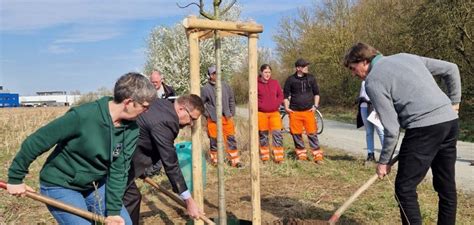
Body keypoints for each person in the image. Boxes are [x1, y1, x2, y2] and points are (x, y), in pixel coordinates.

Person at [6, 72, 157, 225]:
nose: (147, 111)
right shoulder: (83, 116)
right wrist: (15, 178)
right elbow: (38, 141)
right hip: (61, 184)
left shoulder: (131, 130)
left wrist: (113, 212)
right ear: (129, 102)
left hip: (95, 185)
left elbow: (119, 171)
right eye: (145, 106)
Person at [343, 42, 461, 225]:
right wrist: (454, 102)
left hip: (423, 129)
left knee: (404, 189)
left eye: (353, 68)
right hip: (449, 122)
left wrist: (383, 161)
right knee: (446, 186)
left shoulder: (373, 81)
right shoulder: (407, 57)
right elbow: (451, 69)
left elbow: (391, 128)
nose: (353, 73)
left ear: (364, 61)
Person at [123, 94, 205, 225]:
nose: (191, 123)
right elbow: (171, 163)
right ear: (182, 109)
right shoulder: (167, 122)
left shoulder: (163, 104)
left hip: (125, 157)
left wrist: (141, 172)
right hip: (118, 161)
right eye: (192, 118)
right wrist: (189, 201)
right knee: (127, 199)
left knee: (132, 198)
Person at [283, 58, 323, 163]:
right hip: (295, 112)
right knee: (296, 134)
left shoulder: (311, 78)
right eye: (305, 66)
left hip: (309, 111)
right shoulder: (290, 80)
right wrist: (287, 107)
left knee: (312, 133)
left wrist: (315, 106)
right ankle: (301, 156)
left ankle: (317, 156)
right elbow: (285, 95)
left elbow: (317, 93)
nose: (307, 68)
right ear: (298, 68)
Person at [201, 65, 242, 167]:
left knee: (231, 139)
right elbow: (201, 104)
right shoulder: (205, 89)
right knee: (214, 141)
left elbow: (231, 99)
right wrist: (208, 114)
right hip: (213, 120)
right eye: (214, 73)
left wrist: (232, 113)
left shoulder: (226, 86)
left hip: (226, 118)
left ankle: (235, 161)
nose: (217, 75)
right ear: (210, 75)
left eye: (218, 72)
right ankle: (215, 162)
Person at [257, 64, 285, 163]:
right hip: (262, 113)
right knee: (263, 135)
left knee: (277, 134)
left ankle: (278, 157)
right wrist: (260, 105)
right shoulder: (256, 83)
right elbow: (253, 97)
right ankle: (265, 157)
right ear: (261, 72)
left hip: (274, 113)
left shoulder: (275, 83)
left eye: (269, 72)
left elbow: (281, 95)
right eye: (265, 72)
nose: (267, 74)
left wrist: (276, 103)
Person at [356, 80, 384, 163]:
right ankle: (370, 154)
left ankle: (386, 155)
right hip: (364, 107)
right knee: (369, 132)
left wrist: (379, 109)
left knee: (380, 130)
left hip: (374, 107)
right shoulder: (363, 81)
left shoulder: (378, 80)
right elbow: (362, 95)